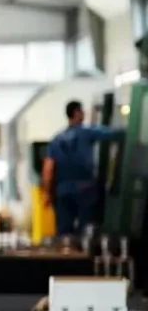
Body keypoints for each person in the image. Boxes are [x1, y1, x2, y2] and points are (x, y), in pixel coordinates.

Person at [42, 100, 121, 235]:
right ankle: (83, 254)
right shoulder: (87, 132)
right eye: (82, 111)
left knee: (64, 231)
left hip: (63, 191)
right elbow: (112, 134)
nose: (84, 114)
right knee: (86, 230)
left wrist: (47, 194)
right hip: (85, 189)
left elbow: (48, 170)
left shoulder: (56, 139)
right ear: (77, 113)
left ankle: (66, 254)